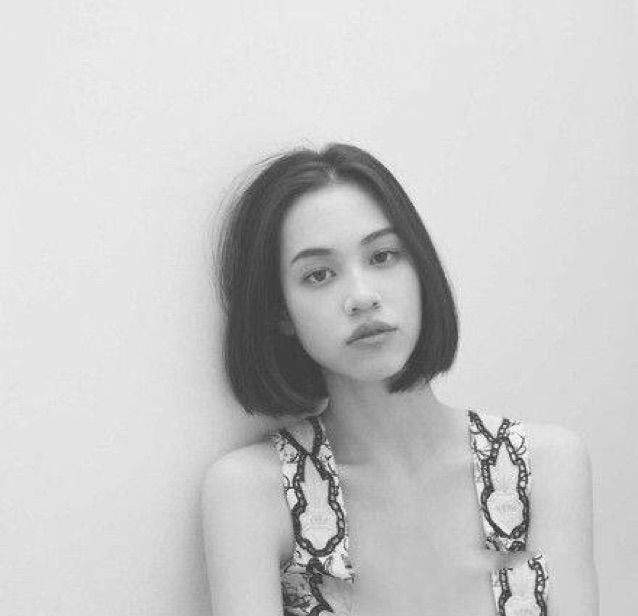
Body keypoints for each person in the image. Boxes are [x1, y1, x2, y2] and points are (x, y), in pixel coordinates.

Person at [201, 142, 598, 615]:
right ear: (280, 312)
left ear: (420, 269)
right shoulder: (253, 492)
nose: (362, 296)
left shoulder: (542, 466)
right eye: (319, 274)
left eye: (383, 256)